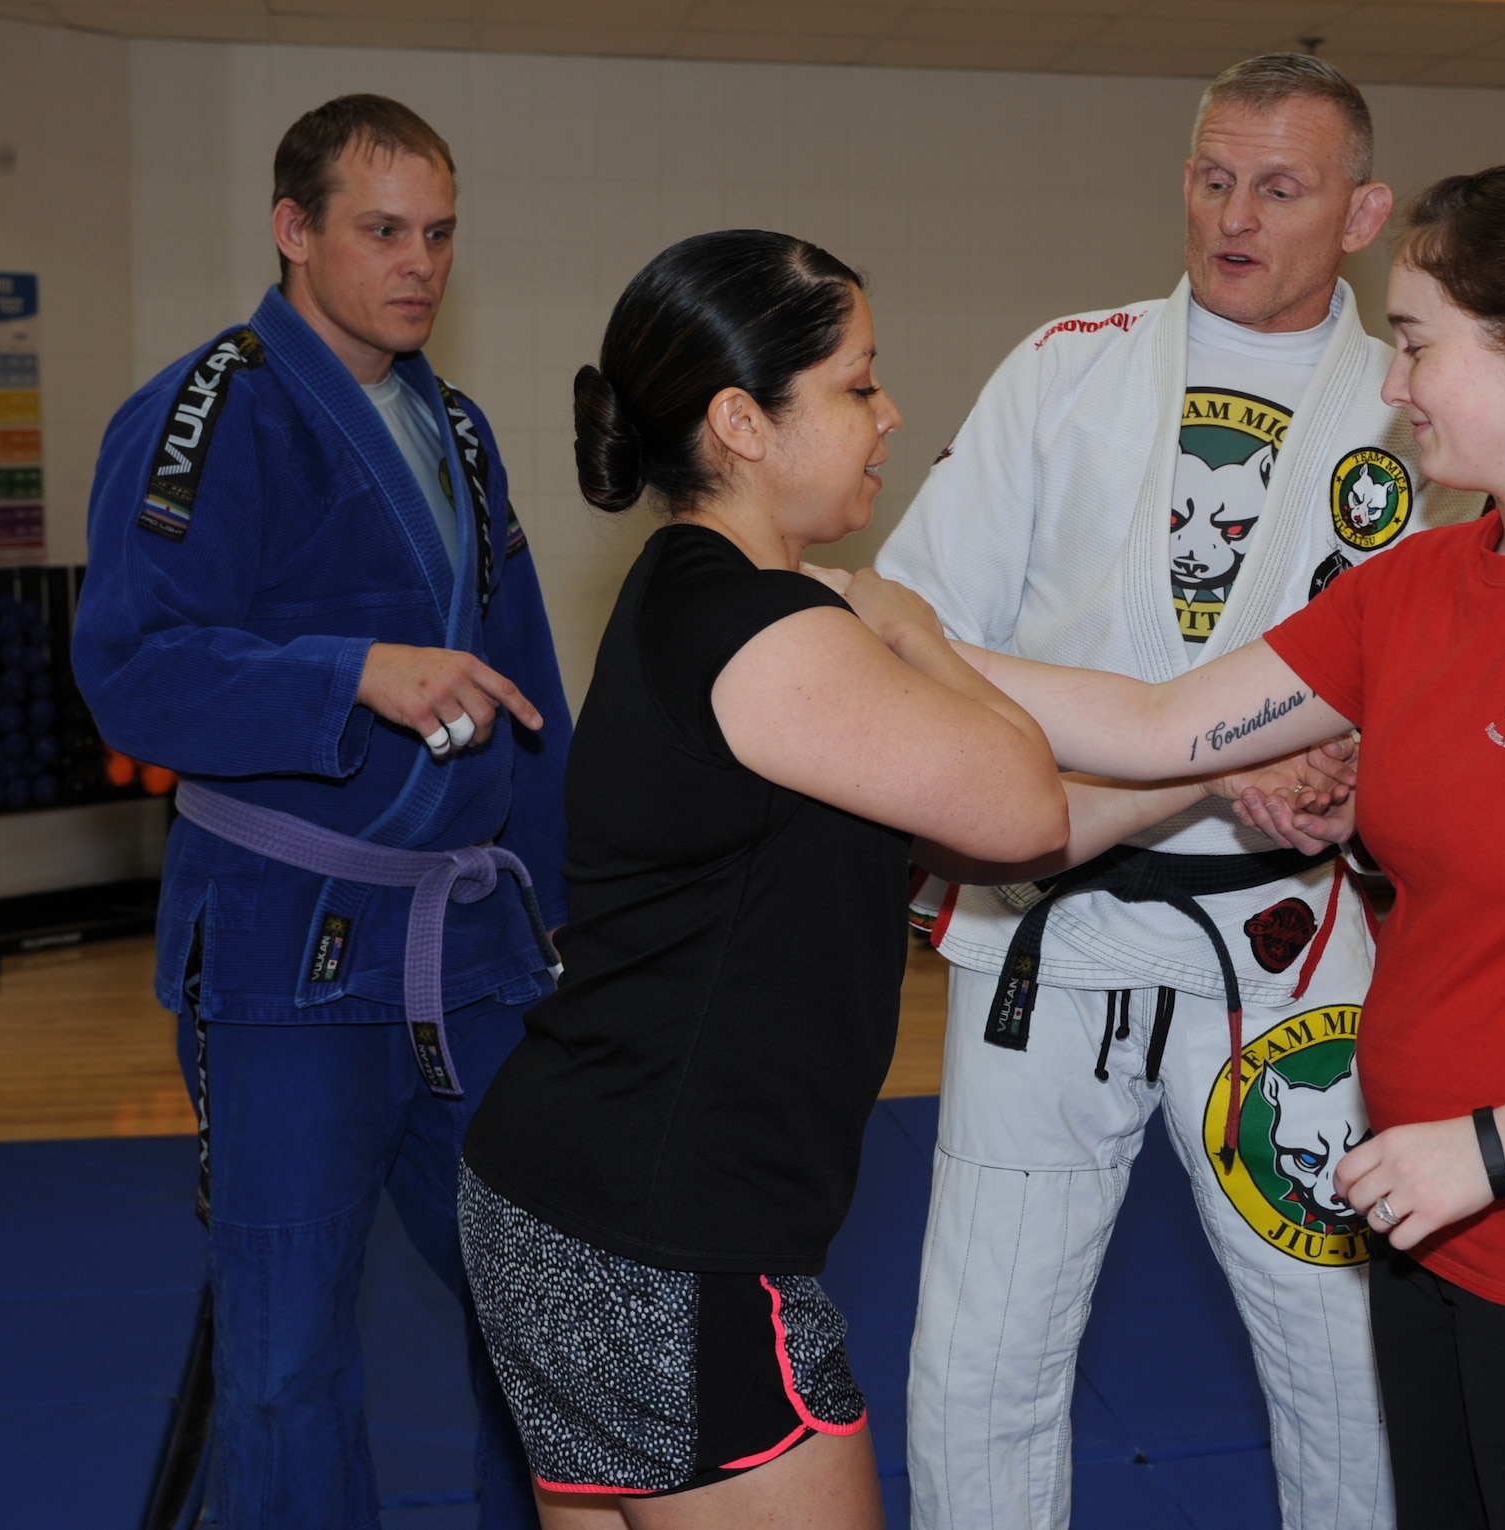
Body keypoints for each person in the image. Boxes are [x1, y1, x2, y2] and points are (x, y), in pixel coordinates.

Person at [849, 159, 1505, 1530]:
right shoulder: (1417, 582)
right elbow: (1160, 721)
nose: (1395, 383)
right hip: (1430, 1223)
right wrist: (883, 627)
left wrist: (1489, 1150)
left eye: (1417, 344)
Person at [454, 229, 1331, 1530]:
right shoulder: (781, 631)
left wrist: (1220, 770)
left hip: (564, 1198)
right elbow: (1023, 801)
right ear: (743, 422)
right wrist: (923, 631)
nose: (891, 412)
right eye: (859, 384)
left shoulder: (710, 592)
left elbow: (1032, 786)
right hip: (668, 1233)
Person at [874, 52, 1481, 1529]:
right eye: (1212, 177)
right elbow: (911, 629)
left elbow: (1464, 678)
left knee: (1341, 1350)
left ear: (1363, 211)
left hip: (1293, 951)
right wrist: (1177, 762)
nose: (1234, 213)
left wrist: (1358, 773)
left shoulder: (1421, 416)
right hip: (1052, 924)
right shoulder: (1069, 365)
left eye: (1280, 186)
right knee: (983, 1355)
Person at [73, 96, 566, 1528]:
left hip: (470, 960)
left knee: (540, 1319)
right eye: (383, 230)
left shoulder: (457, 429)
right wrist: (348, 669)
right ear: (294, 233)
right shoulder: (207, 410)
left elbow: (530, 693)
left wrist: (568, 916)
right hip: (292, 958)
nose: (421, 263)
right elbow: (133, 675)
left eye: (441, 233)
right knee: (286, 1357)